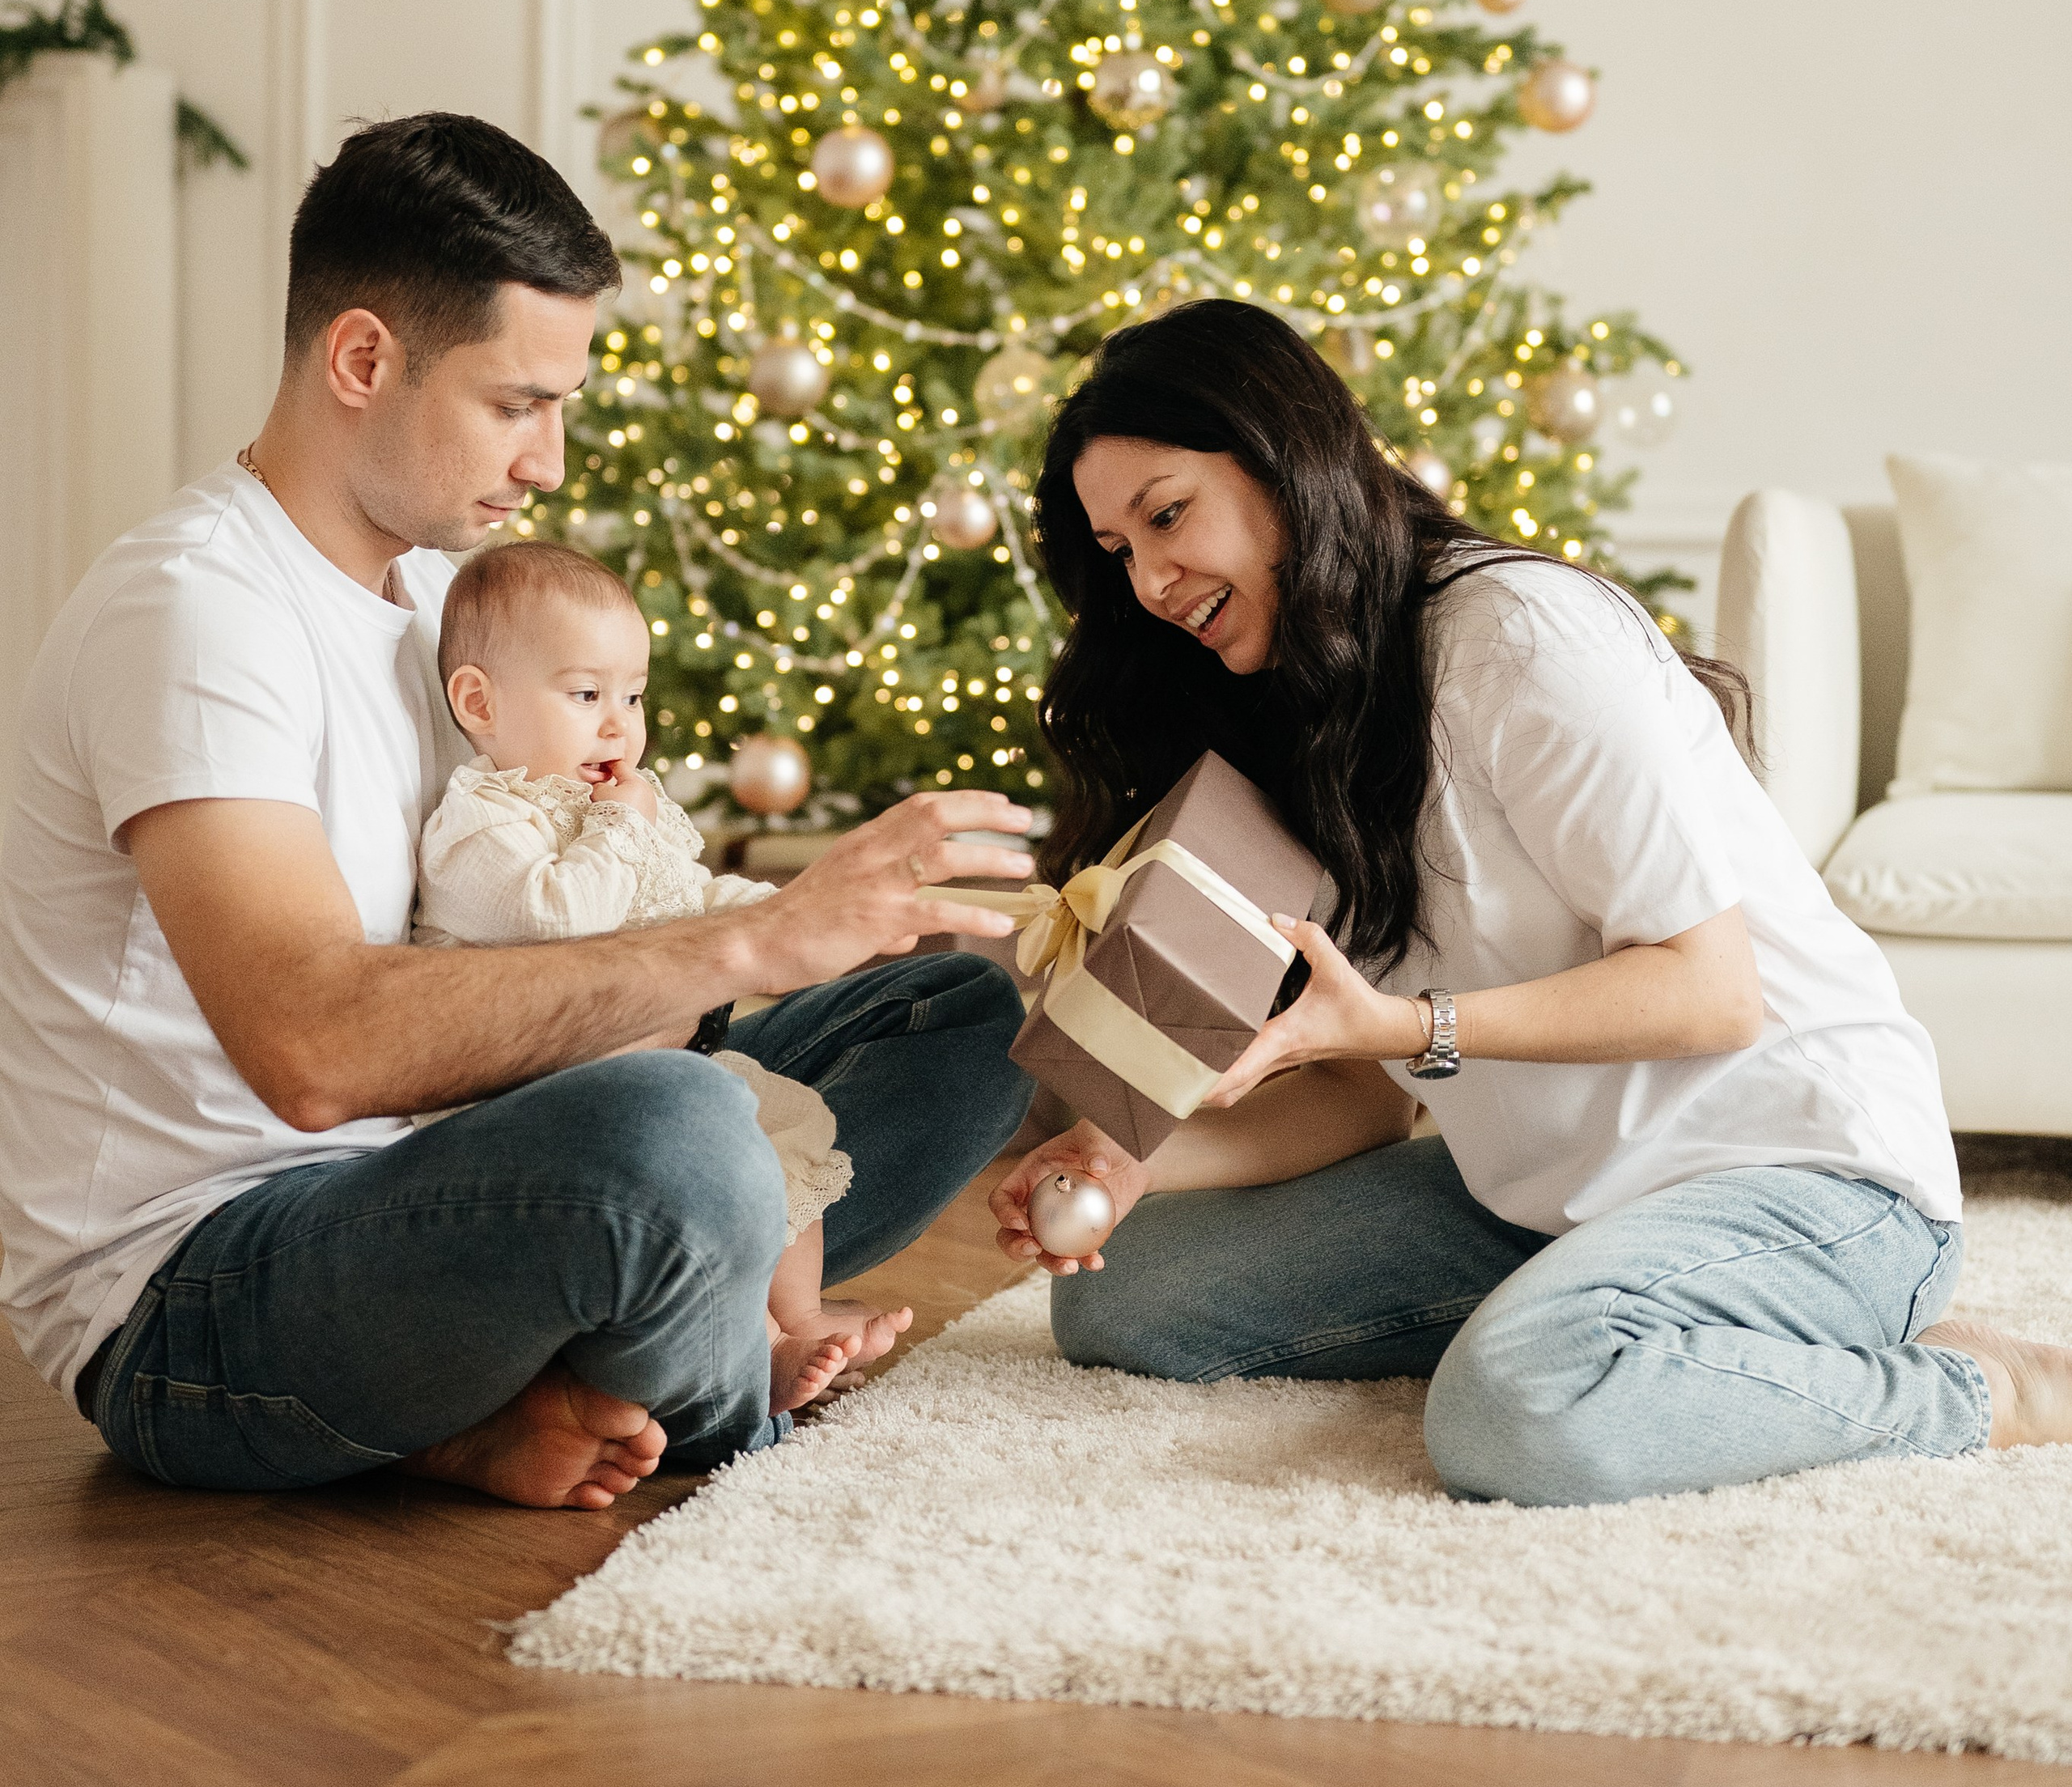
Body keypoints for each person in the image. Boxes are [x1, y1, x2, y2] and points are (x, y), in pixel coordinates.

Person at [0, 113, 1033, 1511]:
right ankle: (718, 1395)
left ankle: (543, 1371)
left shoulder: (440, 598)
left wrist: (840, 932)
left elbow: (535, 962)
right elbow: (315, 1049)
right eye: (516, 402)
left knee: (968, 1000)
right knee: (676, 1137)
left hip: (447, 1175)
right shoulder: (195, 613)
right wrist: (748, 946)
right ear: (363, 359)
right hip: (199, 1287)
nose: (548, 460)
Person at [989, 300, 2072, 1505]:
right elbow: (1355, 1092)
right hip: (1540, 1202)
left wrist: (1406, 1028)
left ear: (1282, 458)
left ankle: (1984, 1392)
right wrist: (1137, 1161)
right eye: (1118, 550)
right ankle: (1629, 1323)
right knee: (1127, 1298)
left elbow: (1710, 993)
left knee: (1516, 1415)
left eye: (1168, 514)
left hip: (1808, 1173)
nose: (1148, 578)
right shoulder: (1300, 708)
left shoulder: (1518, 635)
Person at [414, 533, 910, 1412]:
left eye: (634, 695)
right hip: (539, 1097)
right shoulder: (480, 822)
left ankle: (792, 1323)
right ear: (479, 701)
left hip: (655, 1065)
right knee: (723, 1138)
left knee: (787, 1125)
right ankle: (745, 1349)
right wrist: (621, 826)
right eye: (586, 693)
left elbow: (689, 891)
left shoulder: (617, 801)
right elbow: (563, 920)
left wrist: (791, 913)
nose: (619, 723)